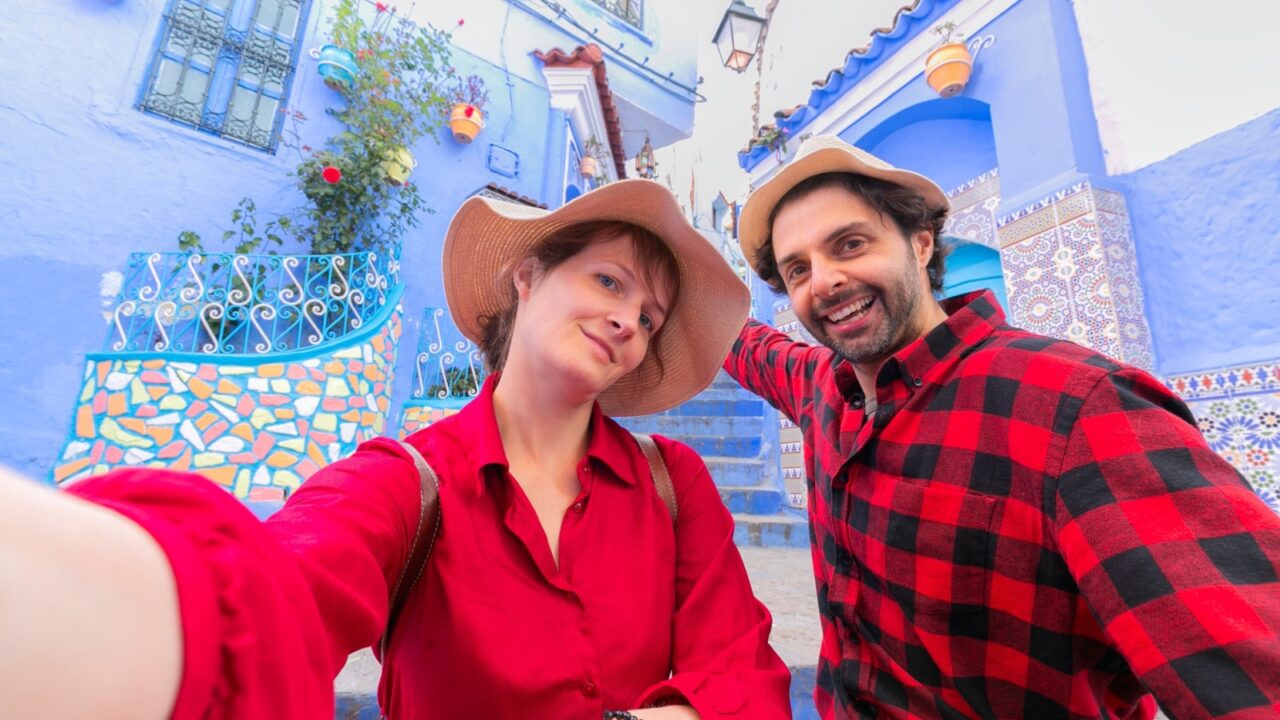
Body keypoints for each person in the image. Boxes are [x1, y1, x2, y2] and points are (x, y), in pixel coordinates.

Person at [0, 179, 792, 720]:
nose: (628, 321)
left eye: (650, 318)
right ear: (527, 276)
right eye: (610, 283)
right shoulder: (409, 482)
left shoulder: (671, 480)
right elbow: (276, 590)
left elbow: (744, 671)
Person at [723, 134, 1280, 719]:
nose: (824, 280)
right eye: (798, 270)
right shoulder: (822, 389)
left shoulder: (1078, 408)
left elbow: (1250, 665)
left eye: (851, 244)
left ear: (920, 243)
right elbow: (743, 341)